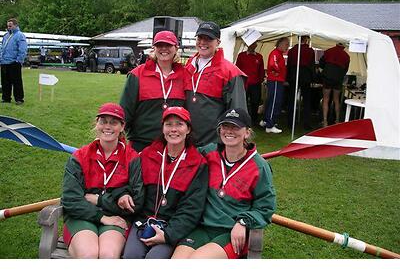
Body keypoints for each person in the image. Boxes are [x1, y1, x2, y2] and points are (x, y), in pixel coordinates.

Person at [172, 108, 276, 259]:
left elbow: (266, 206)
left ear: (247, 132)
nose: (229, 131)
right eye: (225, 126)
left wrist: (243, 222)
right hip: (202, 227)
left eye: (235, 127)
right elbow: (183, 159)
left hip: (231, 231)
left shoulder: (259, 166)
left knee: (197, 261)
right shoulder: (209, 153)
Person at [122, 106, 208, 259]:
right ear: (162, 128)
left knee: (155, 259)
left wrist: (168, 235)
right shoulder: (148, 155)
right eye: (169, 124)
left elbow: (192, 208)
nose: (173, 129)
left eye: (179, 124)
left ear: (188, 129)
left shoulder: (198, 163)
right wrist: (124, 193)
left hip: (172, 227)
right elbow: (129, 183)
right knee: (131, 256)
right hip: (143, 222)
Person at [61, 103, 144, 258]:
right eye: (103, 121)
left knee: (108, 255)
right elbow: (71, 200)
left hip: (118, 219)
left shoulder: (132, 158)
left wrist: (99, 200)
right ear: (96, 123)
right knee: (88, 254)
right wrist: (102, 217)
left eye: (113, 122)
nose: (108, 126)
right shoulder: (79, 157)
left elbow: (137, 203)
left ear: (122, 126)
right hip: (82, 217)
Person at [120, 31, 185, 152]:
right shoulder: (137, 75)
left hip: (174, 145)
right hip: (142, 145)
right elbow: (125, 113)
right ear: (153, 48)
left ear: (176, 48)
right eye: (160, 45)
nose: (164, 49)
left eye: (168, 45)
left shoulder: (185, 75)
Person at [184, 21, 248, 146]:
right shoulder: (188, 66)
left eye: (208, 39)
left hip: (213, 144)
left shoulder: (230, 72)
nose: (203, 42)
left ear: (218, 42)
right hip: (186, 141)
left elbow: (238, 113)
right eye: (200, 38)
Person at [260, 37, 289, 133]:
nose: (287, 47)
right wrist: (278, 72)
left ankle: (266, 120)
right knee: (274, 101)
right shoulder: (275, 53)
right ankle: (270, 125)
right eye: (286, 44)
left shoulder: (278, 53)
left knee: (271, 101)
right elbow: (273, 64)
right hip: (275, 80)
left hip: (276, 80)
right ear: (280, 44)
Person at [286, 36, 315, 130]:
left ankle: (290, 122)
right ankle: (306, 122)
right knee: (306, 101)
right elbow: (312, 65)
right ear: (306, 40)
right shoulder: (310, 51)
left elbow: (289, 65)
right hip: (306, 76)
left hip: (294, 75)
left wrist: (288, 77)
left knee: (292, 99)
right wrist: (313, 78)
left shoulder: (292, 50)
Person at [319, 43, 350, 126]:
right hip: (338, 78)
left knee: (326, 99)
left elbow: (321, 63)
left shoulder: (328, 51)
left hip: (327, 76)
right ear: (343, 46)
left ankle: (325, 121)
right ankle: (337, 120)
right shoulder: (346, 56)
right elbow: (346, 69)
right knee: (336, 100)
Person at [235, 41, 265, 126]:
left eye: (254, 44)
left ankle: (254, 120)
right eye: (251, 44)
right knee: (243, 102)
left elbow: (261, 71)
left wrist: (260, 80)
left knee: (255, 102)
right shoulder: (241, 56)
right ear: (248, 45)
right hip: (244, 84)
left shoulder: (259, 57)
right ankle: (242, 119)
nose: (253, 46)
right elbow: (237, 69)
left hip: (255, 84)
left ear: (256, 45)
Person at [0, 18, 27, 105]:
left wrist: (18, 60)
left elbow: (22, 49)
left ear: (15, 25)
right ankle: (6, 98)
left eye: (10, 26)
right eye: (8, 26)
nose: (9, 27)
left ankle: (19, 99)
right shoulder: (5, 36)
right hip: (4, 62)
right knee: (5, 82)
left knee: (16, 82)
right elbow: (2, 48)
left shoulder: (20, 35)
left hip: (14, 63)